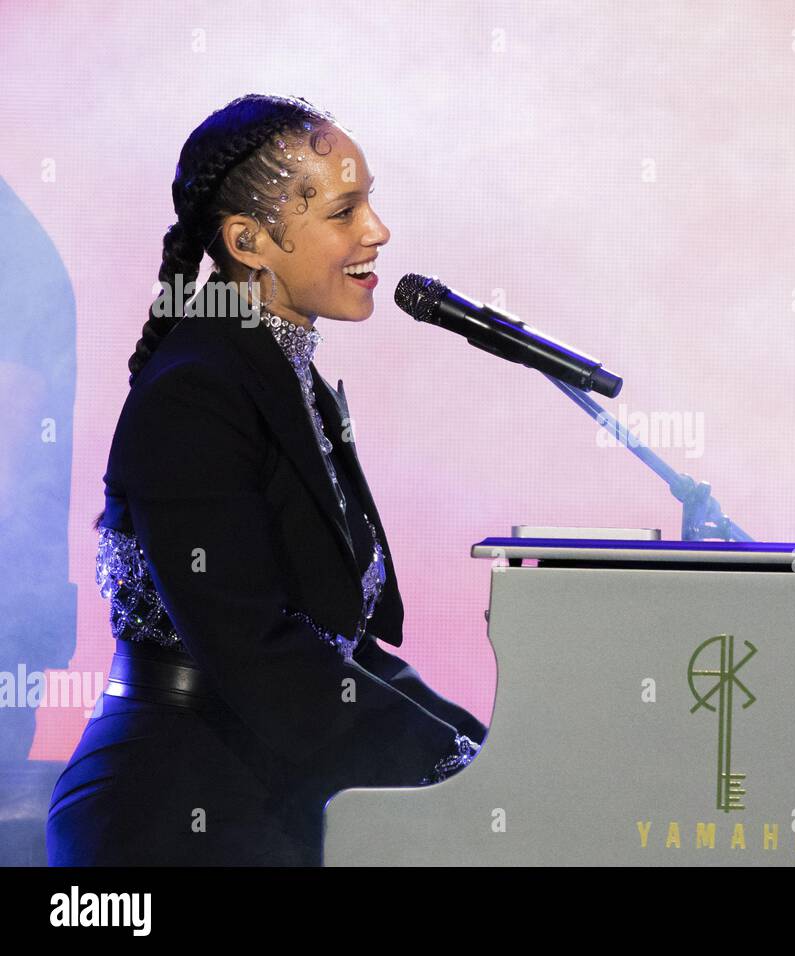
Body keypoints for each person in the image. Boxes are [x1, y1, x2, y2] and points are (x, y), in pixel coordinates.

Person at [46, 93, 486, 866]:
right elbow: (256, 645)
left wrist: (480, 755)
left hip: (264, 785)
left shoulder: (282, 375)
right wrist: (452, 767)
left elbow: (335, 646)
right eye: (345, 211)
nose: (377, 231)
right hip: (169, 809)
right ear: (249, 240)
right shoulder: (198, 391)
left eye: (370, 203)